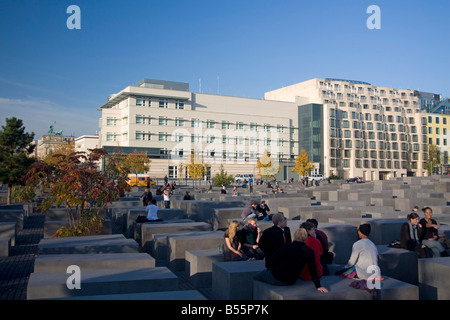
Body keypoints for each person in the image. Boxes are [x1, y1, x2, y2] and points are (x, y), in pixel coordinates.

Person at [253, 228, 328, 293]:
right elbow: (313, 269)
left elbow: (272, 259)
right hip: (291, 280)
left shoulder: (286, 246)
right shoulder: (309, 251)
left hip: (276, 276)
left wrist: (272, 268)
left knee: (255, 277)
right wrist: (318, 286)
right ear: (305, 238)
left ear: (295, 237)